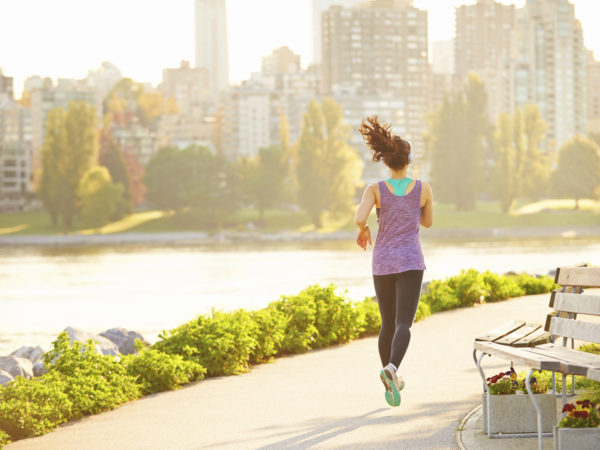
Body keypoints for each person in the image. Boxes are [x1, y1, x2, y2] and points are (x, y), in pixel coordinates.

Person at [354, 115, 433, 407]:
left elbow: (359, 218)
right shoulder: (422, 189)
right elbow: (428, 223)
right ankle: (392, 369)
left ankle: (392, 384)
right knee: (404, 324)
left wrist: (364, 229)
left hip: (383, 263)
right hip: (411, 262)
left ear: (386, 161)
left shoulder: (374, 190)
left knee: (387, 324)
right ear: (408, 160)